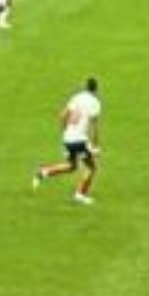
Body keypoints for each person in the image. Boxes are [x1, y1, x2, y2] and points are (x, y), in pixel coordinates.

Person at [33, 77, 101, 206]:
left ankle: (43, 172)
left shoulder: (76, 97)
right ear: (96, 90)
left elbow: (62, 116)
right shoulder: (95, 102)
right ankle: (80, 194)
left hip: (68, 138)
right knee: (91, 168)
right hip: (79, 140)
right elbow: (94, 126)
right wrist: (95, 146)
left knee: (72, 166)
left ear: (85, 87)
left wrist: (65, 133)